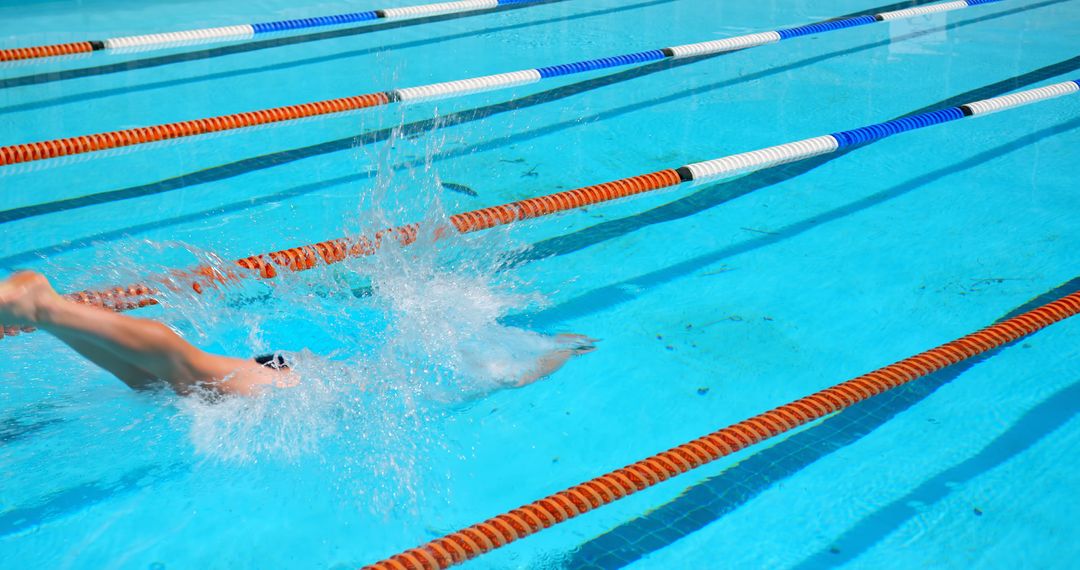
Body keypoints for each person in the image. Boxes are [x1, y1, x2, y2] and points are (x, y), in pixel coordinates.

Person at [0, 271, 595, 397]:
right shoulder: (485, 375)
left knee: (145, 381)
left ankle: (44, 317)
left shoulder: (437, 365)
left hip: (287, 367)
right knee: (183, 370)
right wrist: (563, 350)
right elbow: (525, 371)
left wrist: (558, 345)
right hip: (290, 383)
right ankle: (45, 307)